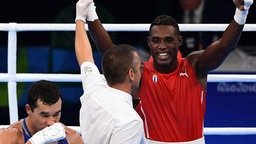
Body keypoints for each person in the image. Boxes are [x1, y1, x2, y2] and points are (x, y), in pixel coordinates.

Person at [81, 0, 254, 143]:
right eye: (156, 40)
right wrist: (91, 13)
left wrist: (241, 13)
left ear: (179, 41)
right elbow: (110, 53)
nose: (162, 46)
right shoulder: (141, 72)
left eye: (168, 40)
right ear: (149, 43)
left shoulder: (194, 65)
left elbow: (223, 47)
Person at [75, 0, 146, 143]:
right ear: (131, 74)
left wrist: (80, 18)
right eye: (139, 67)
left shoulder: (94, 88)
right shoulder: (130, 121)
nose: (143, 70)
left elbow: (85, 58)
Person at [0, 80, 83, 144]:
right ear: (28, 109)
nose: (51, 123)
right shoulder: (9, 138)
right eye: (45, 116)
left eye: (56, 114)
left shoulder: (71, 138)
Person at [157, 0, 234, 57]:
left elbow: (230, 41)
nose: (186, 1)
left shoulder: (221, 9)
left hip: (212, 57)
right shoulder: (167, 8)